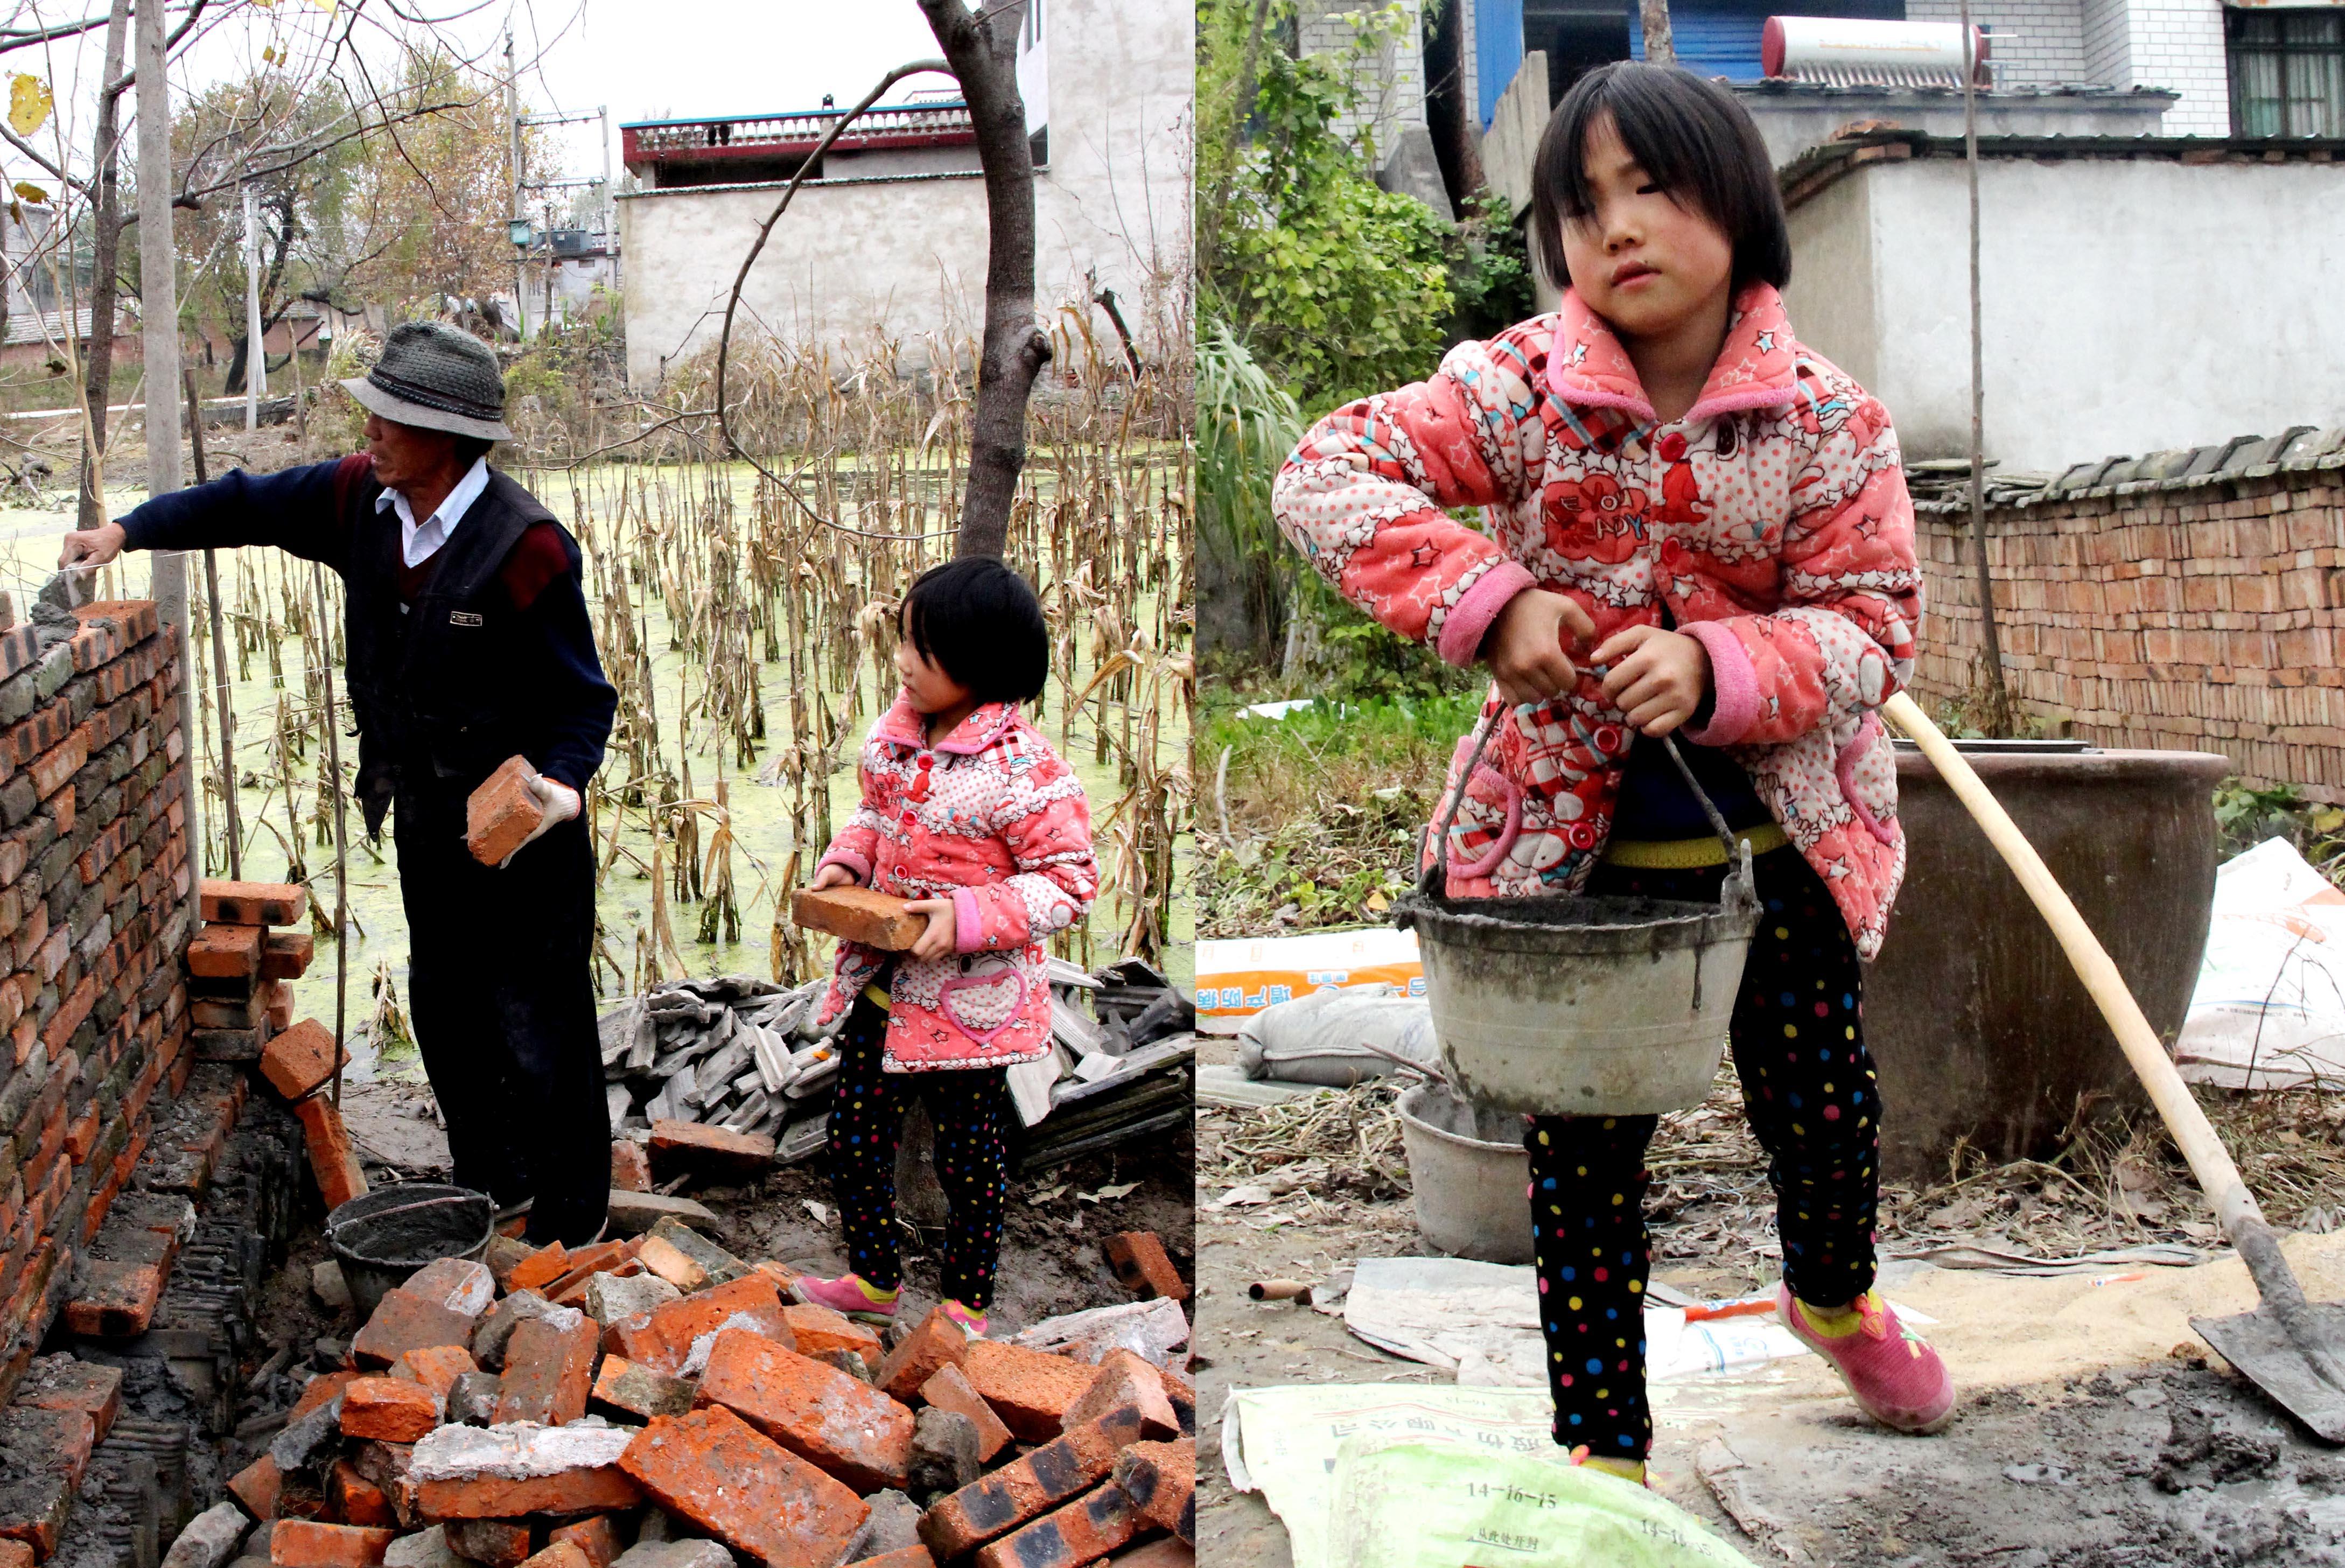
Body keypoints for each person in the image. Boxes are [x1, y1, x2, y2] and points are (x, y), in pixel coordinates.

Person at [1271, 62, 1945, 1481]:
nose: (1615, 228)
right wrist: (1487, 596)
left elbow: (1874, 622)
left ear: (1739, 208)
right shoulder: (1510, 390)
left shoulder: (1828, 422)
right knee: (1578, 1164)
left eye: (1651, 187)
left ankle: (1831, 1298)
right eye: (1581, 205)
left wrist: (1718, 671)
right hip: (1566, 874)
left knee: (1820, 1118)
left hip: (1780, 854)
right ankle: (1603, 1453)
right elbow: (1324, 475)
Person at [59, 321, 618, 1247]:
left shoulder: (529, 549)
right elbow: (243, 505)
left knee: (539, 1014)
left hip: (525, 826)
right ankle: (496, 1182)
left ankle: (575, 1217)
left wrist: (561, 789)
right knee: (444, 997)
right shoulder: (361, 500)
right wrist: (128, 529)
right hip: (427, 810)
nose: (372, 431)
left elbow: (580, 701)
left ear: (448, 435)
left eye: (392, 418)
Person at [795, 557, 1097, 1337]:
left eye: (920, 650)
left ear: (979, 662)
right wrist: (848, 859)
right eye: (903, 641)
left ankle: (966, 1304)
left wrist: (965, 917)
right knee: (854, 1140)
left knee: (969, 1161)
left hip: (971, 1009)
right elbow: (873, 815)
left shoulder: (1026, 773)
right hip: (882, 987)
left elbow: (1067, 883)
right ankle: (874, 1278)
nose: (902, 662)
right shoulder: (895, 738)